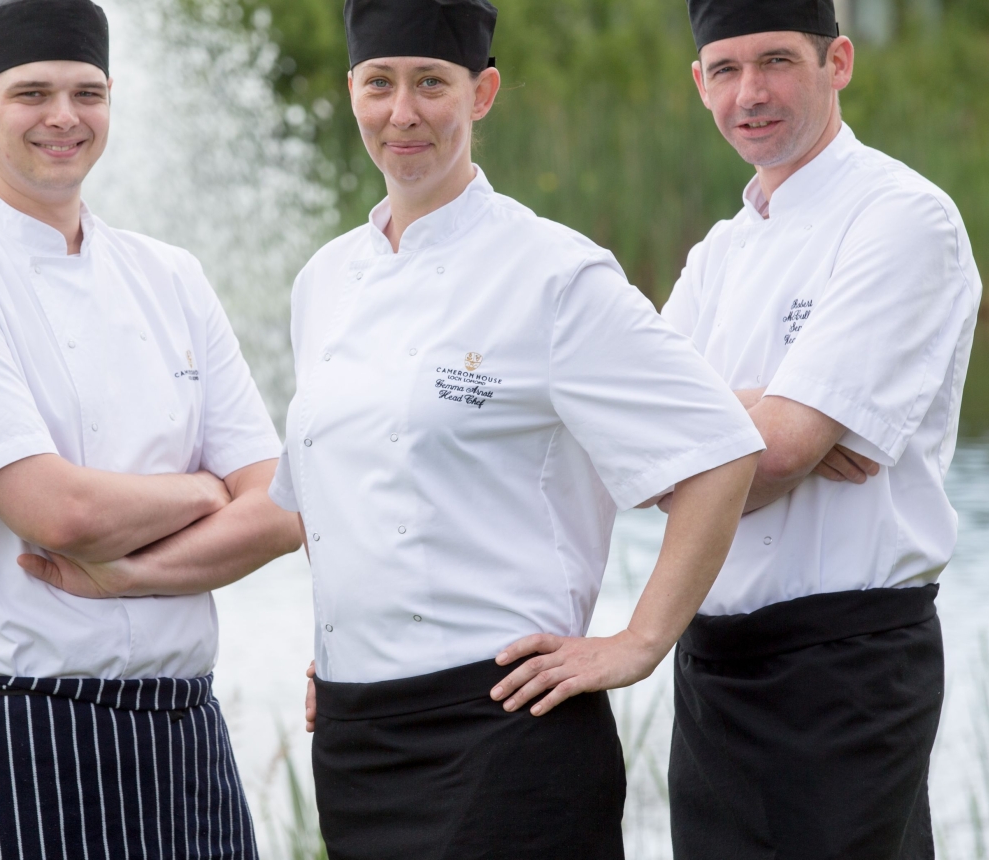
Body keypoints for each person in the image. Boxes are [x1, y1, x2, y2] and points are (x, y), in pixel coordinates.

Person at [273, 1, 766, 856]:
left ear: (483, 92)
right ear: (350, 90)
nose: (404, 112)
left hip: (505, 729)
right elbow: (329, 491)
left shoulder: (554, 273)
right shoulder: (323, 282)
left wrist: (638, 644)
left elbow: (720, 448)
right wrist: (346, 641)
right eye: (379, 83)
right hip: (357, 738)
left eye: (432, 83)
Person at [0, 0, 301, 855]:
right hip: (14, 740)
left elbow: (285, 509)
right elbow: (57, 514)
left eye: (87, 92)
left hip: (183, 738)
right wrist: (202, 488)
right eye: (32, 93)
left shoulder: (170, 276)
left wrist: (118, 578)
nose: (63, 118)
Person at [657, 0, 984, 856]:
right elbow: (634, 454)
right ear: (699, 84)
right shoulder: (719, 253)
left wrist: (752, 437)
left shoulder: (903, 218)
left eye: (776, 63)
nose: (749, 93)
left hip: (849, 666)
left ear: (837, 61)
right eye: (725, 70)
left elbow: (778, 454)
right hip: (713, 668)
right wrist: (771, 404)